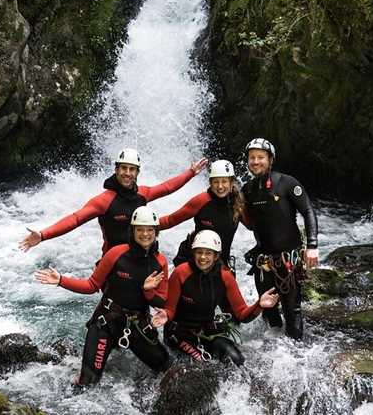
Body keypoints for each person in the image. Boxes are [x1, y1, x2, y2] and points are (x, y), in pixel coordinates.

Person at [35, 205, 171, 385]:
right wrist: (61, 280)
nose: (145, 234)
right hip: (107, 322)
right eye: (140, 229)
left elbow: (160, 300)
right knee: (88, 381)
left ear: (156, 232)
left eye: (149, 230)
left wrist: (148, 290)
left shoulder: (160, 261)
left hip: (137, 324)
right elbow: (92, 285)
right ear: (132, 231)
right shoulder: (116, 253)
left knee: (167, 368)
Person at [20, 149, 208, 255]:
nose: (127, 173)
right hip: (114, 261)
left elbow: (167, 187)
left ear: (137, 172)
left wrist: (190, 173)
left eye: (132, 169)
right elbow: (75, 219)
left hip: (143, 256)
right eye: (123, 168)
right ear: (116, 170)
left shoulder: (143, 194)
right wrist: (43, 235)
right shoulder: (104, 201)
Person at [150, 230, 279, 365]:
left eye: (208, 253)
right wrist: (165, 314)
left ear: (216, 256)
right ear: (193, 253)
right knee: (203, 364)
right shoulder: (181, 273)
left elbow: (242, 315)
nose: (203, 257)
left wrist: (259, 304)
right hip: (178, 333)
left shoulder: (225, 277)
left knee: (237, 359)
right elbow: (170, 309)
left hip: (206, 331)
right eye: (199, 252)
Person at [240, 138, 318, 340]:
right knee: (269, 313)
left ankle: (297, 355)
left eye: (260, 157)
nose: (255, 162)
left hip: (288, 260)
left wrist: (312, 245)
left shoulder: (287, 183)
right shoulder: (247, 190)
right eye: (252, 158)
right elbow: (249, 222)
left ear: (270, 159)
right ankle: (272, 355)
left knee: (293, 312)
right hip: (263, 262)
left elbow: (308, 211)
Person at [158, 159, 245, 269]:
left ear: (232, 182)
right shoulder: (202, 200)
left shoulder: (239, 203)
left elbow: (253, 226)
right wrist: (144, 226)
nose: (220, 186)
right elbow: (171, 220)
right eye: (216, 182)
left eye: (224, 181)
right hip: (192, 258)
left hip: (219, 262)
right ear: (210, 182)